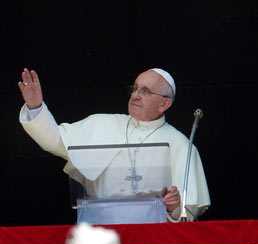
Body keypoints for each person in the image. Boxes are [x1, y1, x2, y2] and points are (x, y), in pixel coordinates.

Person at [18, 67, 210, 222]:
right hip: (98, 235)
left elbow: (187, 212)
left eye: (145, 91)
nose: (135, 95)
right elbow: (54, 140)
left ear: (164, 104)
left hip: (151, 237)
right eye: (134, 88)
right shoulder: (102, 123)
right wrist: (36, 107)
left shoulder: (181, 145)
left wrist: (174, 206)